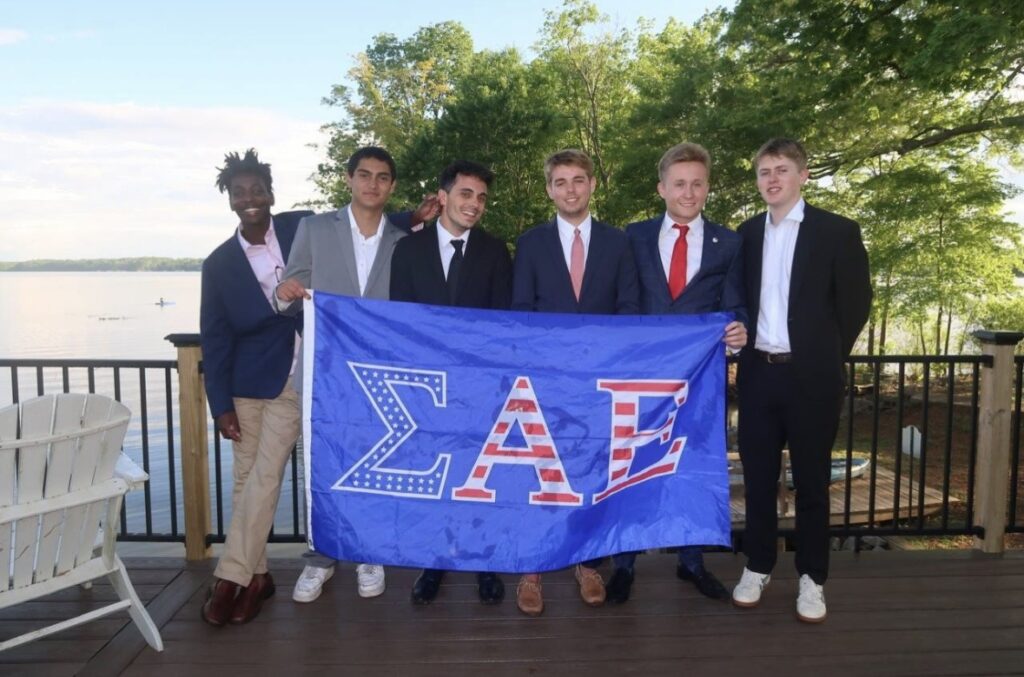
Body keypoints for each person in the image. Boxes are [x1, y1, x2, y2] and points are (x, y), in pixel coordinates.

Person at [274, 146, 425, 604]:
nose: (372, 184)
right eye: (364, 175)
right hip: (325, 376)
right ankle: (319, 558)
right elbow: (288, 291)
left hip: (378, 379)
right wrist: (284, 291)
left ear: (391, 186)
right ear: (349, 179)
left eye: (382, 178)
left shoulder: (403, 240)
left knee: (373, 468)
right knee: (322, 469)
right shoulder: (315, 228)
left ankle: (368, 552)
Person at [731, 138, 871, 623]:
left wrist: (823, 355)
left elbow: (856, 306)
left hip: (812, 378)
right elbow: (738, 301)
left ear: (803, 176)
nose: (772, 178)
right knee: (758, 480)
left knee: (812, 483)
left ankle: (812, 578)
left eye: (782, 169)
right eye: (764, 171)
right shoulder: (745, 235)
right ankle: (758, 564)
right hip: (758, 376)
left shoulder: (837, 232)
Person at [605, 142, 748, 604]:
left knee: (691, 468)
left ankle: (692, 562)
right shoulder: (633, 237)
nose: (689, 192)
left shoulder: (730, 243)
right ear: (662, 188)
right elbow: (623, 301)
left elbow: (735, 305)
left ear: (708, 187)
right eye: (680, 183)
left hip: (698, 383)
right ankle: (624, 564)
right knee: (630, 467)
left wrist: (738, 329)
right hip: (639, 379)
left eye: (697, 183)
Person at [510, 148, 639, 616]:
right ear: (549, 189)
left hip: (600, 383)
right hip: (545, 381)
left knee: (588, 474)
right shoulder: (530, 243)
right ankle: (533, 569)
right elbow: (521, 312)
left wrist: (607, 362)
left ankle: (586, 563)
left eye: (578, 180)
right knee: (539, 475)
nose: (570, 189)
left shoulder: (618, 241)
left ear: (592, 185)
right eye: (560, 181)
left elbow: (628, 310)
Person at [390, 159, 513, 605]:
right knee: (435, 478)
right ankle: (434, 561)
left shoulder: (496, 252)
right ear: (442, 197)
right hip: (426, 388)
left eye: (481, 197)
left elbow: (504, 324)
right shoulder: (407, 251)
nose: (474, 204)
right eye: (466, 194)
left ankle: (484, 563)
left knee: (480, 478)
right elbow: (400, 322)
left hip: (481, 388)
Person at [199, 149, 309, 625]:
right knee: (247, 482)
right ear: (229, 200)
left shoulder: (300, 227)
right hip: (246, 383)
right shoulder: (219, 263)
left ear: (271, 193)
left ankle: (230, 576)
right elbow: (215, 336)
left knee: (265, 476)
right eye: (239, 192)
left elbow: (356, 226)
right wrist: (219, 404)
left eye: (257, 189)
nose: (249, 199)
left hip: (295, 377)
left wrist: (412, 219)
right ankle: (258, 579)